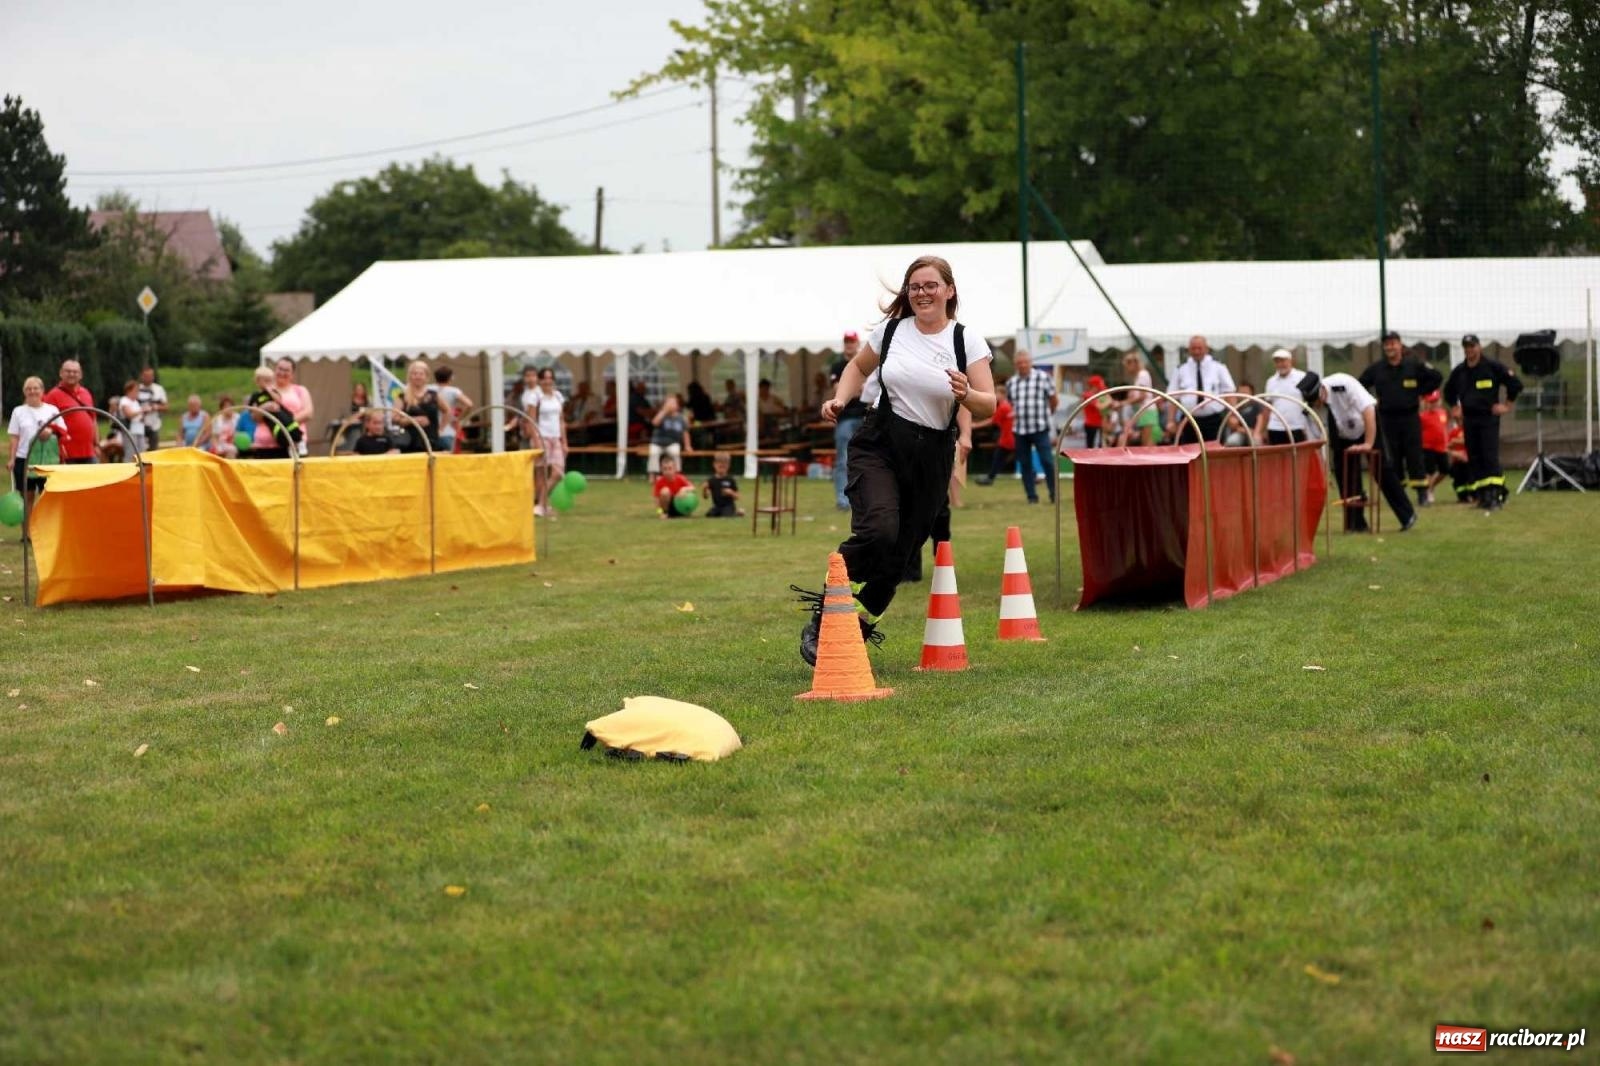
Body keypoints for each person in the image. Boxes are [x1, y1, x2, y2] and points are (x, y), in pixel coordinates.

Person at [802, 254, 996, 666]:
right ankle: (827, 607)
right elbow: (857, 367)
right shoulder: (891, 332)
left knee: (903, 551)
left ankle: (856, 626)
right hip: (882, 441)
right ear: (908, 293)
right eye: (915, 286)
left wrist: (966, 394)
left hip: (932, 454)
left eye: (930, 285)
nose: (922, 293)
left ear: (949, 290)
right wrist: (840, 397)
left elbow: (988, 405)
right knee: (879, 530)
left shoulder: (966, 341)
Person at [1321, 372, 1417, 533]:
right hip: (1343, 431)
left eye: (1318, 400)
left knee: (1381, 468)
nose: (1318, 404)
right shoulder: (1315, 398)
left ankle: (1407, 515)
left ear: (1321, 390)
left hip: (1366, 424)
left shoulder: (1343, 384)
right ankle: (1356, 523)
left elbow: (1369, 410)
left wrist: (1368, 443)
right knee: (1344, 473)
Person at [1359, 330, 1441, 506]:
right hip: (1387, 419)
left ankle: (1422, 494)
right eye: (1387, 344)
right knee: (1392, 457)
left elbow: (1436, 377)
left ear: (1400, 345)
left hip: (1410, 417)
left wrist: (1420, 392)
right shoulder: (1378, 368)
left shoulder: (1413, 365)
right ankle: (1399, 496)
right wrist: (1371, 401)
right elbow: (1360, 385)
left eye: (1393, 343)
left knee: (1415, 456)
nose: (1390, 347)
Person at [1443, 332, 1522, 512]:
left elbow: (1515, 384)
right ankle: (1483, 496)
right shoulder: (1460, 371)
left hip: (1488, 418)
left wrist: (1507, 405)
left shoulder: (1492, 367)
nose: (1470, 350)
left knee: (1488, 456)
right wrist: (1455, 408)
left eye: (1472, 346)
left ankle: (1495, 496)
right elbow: (1448, 391)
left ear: (1479, 347)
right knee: (1475, 457)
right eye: (1466, 347)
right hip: (1469, 420)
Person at [1008, 349, 1057, 504]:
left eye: (1025, 362)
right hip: (1020, 429)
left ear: (1031, 362)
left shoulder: (1043, 378)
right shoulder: (1011, 382)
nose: (1022, 365)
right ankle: (1031, 496)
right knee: (1025, 464)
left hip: (1040, 427)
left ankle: (1054, 493)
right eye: (1019, 363)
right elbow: (1011, 403)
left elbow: (1053, 400)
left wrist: (1047, 414)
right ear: (1015, 364)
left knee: (1047, 461)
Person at [1166, 335, 1236, 443]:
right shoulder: (1180, 369)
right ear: (1189, 350)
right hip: (1189, 420)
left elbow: (1229, 392)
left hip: (1214, 420)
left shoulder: (1219, 367)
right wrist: (1171, 421)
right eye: (1193, 348)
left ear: (1206, 349)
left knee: (1214, 453)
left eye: (1199, 348)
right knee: (1190, 454)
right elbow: (1172, 397)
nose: (1196, 352)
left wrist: (1232, 416)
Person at [7, 376, 66, 502]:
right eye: (28, 389)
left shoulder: (52, 410)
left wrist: (50, 431)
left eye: (35, 388)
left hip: (48, 461)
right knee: (26, 499)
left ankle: (45, 522)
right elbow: (14, 437)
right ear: (24, 392)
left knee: (48, 499)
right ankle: (28, 522)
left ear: (42, 390)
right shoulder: (18, 411)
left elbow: (63, 430)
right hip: (24, 459)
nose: (32, 391)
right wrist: (12, 459)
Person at [829, 330, 868, 510]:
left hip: (865, 416)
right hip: (845, 418)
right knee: (843, 459)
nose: (849, 344)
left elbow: (868, 390)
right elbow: (839, 390)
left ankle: (865, 498)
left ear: (857, 343)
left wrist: (849, 388)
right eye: (847, 341)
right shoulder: (837, 366)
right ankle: (842, 499)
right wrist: (856, 387)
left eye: (852, 341)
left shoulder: (867, 362)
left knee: (868, 459)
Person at [525, 367, 567, 516]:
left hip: (555, 437)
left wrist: (564, 441)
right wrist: (536, 440)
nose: (547, 381)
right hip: (542, 436)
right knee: (541, 474)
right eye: (544, 378)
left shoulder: (557, 396)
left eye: (550, 378)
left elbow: (561, 420)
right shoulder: (535, 396)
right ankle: (541, 505)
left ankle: (540, 503)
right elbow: (530, 420)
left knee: (557, 472)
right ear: (540, 380)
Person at [254, 358, 314, 458]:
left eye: (286, 370)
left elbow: (308, 413)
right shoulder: (265, 391)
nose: (282, 372)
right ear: (275, 370)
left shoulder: (300, 390)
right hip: (265, 445)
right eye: (280, 369)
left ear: (292, 374)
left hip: (294, 443)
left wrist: (285, 422)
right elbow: (255, 417)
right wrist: (264, 408)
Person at [42, 359, 97, 464]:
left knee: (93, 480)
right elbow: (46, 423)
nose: (72, 374)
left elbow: (93, 419)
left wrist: (96, 444)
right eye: (68, 371)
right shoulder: (53, 395)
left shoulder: (86, 393)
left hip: (89, 452)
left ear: (80, 375)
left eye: (75, 372)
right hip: (66, 453)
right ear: (61, 373)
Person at [1257, 348, 1315, 444]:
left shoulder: (1301, 377)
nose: (1280, 364)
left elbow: (1310, 401)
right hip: (1275, 427)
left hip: (1297, 426)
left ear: (1290, 361)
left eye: (1283, 361)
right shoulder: (1271, 381)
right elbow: (1267, 406)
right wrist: (1263, 430)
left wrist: (1308, 426)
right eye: (1277, 362)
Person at [247, 366, 300, 459]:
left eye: (271, 381)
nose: (269, 383)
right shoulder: (255, 396)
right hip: (266, 434)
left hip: (282, 418)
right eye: (266, 381)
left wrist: (270, 391)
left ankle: (295, 441)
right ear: (258, 381)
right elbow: (253, 416)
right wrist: (264, 407)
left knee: (289, 426)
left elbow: (279, 401)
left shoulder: (273, 391)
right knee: (278, 431)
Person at [973, 381, 1016, 484]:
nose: (995, 396)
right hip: (1011, 437)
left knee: (999, 458)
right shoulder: (1007, 406)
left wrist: (974, 425)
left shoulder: (1003, 407)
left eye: (996, 393)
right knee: (1019, 458)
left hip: (1007, 438)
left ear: (1002, 394)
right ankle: (990, 478)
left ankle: (990, 478)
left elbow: (991, 421)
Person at [1117, 350, 1161, 447]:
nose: (1127, 369)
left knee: (1147, 444)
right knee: (1147, 443)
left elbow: (1142, 396)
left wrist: (1122, 403)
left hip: (1147, 412)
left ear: (1133, 363)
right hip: (1144, 413)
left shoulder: (1142, 375)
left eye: (1127, 366)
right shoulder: (1138, 377)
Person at [1418, 390, 1450, 506]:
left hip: (1441, 447)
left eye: (1436, 401)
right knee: (1429, 471)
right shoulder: (1422, 416)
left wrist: (1447, 443)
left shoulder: (1443, 413)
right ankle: (1427, 492)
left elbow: (1444, 429)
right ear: (1426, 403)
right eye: (1431, 402)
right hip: (1427, 447)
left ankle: (1431, 487)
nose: (1434, 404)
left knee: (1445, 469)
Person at [433, 365, 475, 454]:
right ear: (450, 377)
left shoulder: (429, 389)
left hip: (431, 432)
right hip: (448, 431)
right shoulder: (454, 391)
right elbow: (469, 404)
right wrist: (459, 418)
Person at [648, 393, 691, 475]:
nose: (671, 405)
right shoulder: (661, 414)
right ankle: (653, 475)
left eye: (673, 403)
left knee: (675, 452)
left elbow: (685, 433)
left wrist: (687, 446)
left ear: (677, 406)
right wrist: (664, 411)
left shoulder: (681, 418)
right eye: (669, 403)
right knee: (654, 453)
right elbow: (654, 423)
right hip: (657, 443)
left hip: (672, 443)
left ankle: (677, 473)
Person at [135, 366, 168, 451]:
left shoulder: (159, 389)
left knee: (153, 450)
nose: (148, 378)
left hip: (154, 425)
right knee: (138, 450)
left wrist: (155, 407)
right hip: (138, 424)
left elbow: (166, 407)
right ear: (142, 376)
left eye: (150, 376)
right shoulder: (136, 389)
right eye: (146, 376)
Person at [111, 381, 144, 462]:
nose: (137, 392)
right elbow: (129, 415)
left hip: (139, 428)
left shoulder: (135, 401)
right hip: (129, 429)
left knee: (141, 451)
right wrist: (142, 410)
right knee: (130, 452)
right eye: (136, 390)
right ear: (129, 391)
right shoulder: (124, 400)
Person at [652, 454, 693, 518]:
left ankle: (684, 512)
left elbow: (692, 488)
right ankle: (665, 513)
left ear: (675, 469)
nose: (668, 471)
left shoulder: (680, 478)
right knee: (665, 491)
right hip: (668, 507)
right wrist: (660, 513)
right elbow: (657, 502)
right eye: (665, 469)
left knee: (686, 492)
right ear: (661, 470)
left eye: (670, 468)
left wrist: (684, 489)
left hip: (679, 504)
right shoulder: (659, 482)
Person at [703, 450, 743, 517]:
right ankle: (735, 513)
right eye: (720, 467)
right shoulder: (711, 480)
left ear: (728, 466)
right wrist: (704, 489)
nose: (722, 469)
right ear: (714, 465)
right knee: (709, 515)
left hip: (728, 506)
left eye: (724, 467)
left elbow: (737, 496)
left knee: (726, 515)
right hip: (717, 506)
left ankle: (738, 513)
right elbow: (706, 497)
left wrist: (731, 493)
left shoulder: (730, 479)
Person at [1221, 382, 1261, 447]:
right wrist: (1246, 431)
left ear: (1251, 393)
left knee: (1256, 441)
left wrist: (1256, 432)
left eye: (1246, 392)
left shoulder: (1256, 404)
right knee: (1232, 442)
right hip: (1239, 432)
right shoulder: (1233, 406)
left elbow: (1260, 420)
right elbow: (1233, 424)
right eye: (1241, 391)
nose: (1243, 394)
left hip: (1253, 432)